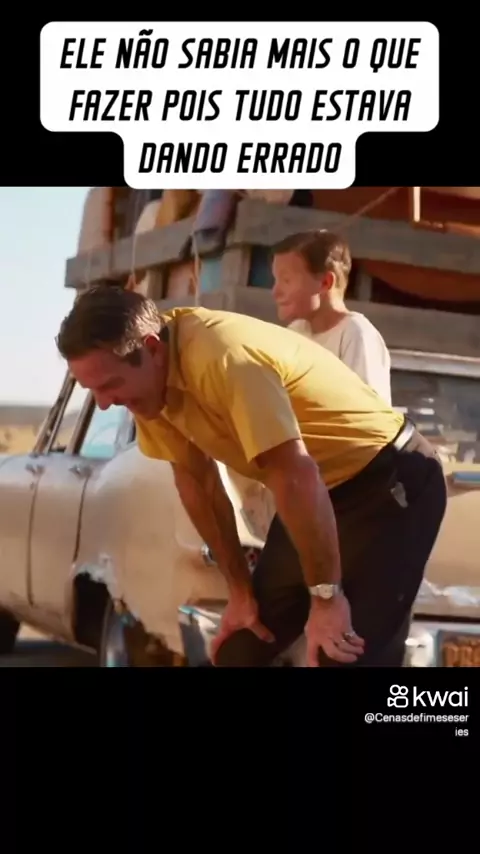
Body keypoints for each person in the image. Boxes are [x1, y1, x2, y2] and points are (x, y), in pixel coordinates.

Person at [55, 286, 447, 667]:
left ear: (153, 349)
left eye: (110, 385)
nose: (105, 404)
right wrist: (240, 593)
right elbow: (198, 485)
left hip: (388, 482)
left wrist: (326, 599)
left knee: (339, 653)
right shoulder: (149, 391)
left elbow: (295, 474)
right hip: (318, 492)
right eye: (93, 391)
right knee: (241, 648)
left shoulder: (223, 357)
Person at [272, 230, 392, 402]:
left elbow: (367, 410)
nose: (275, 292)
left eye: (286, 280)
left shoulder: (356, 334)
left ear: (325, 283)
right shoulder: (295, 332)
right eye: (275, 280)